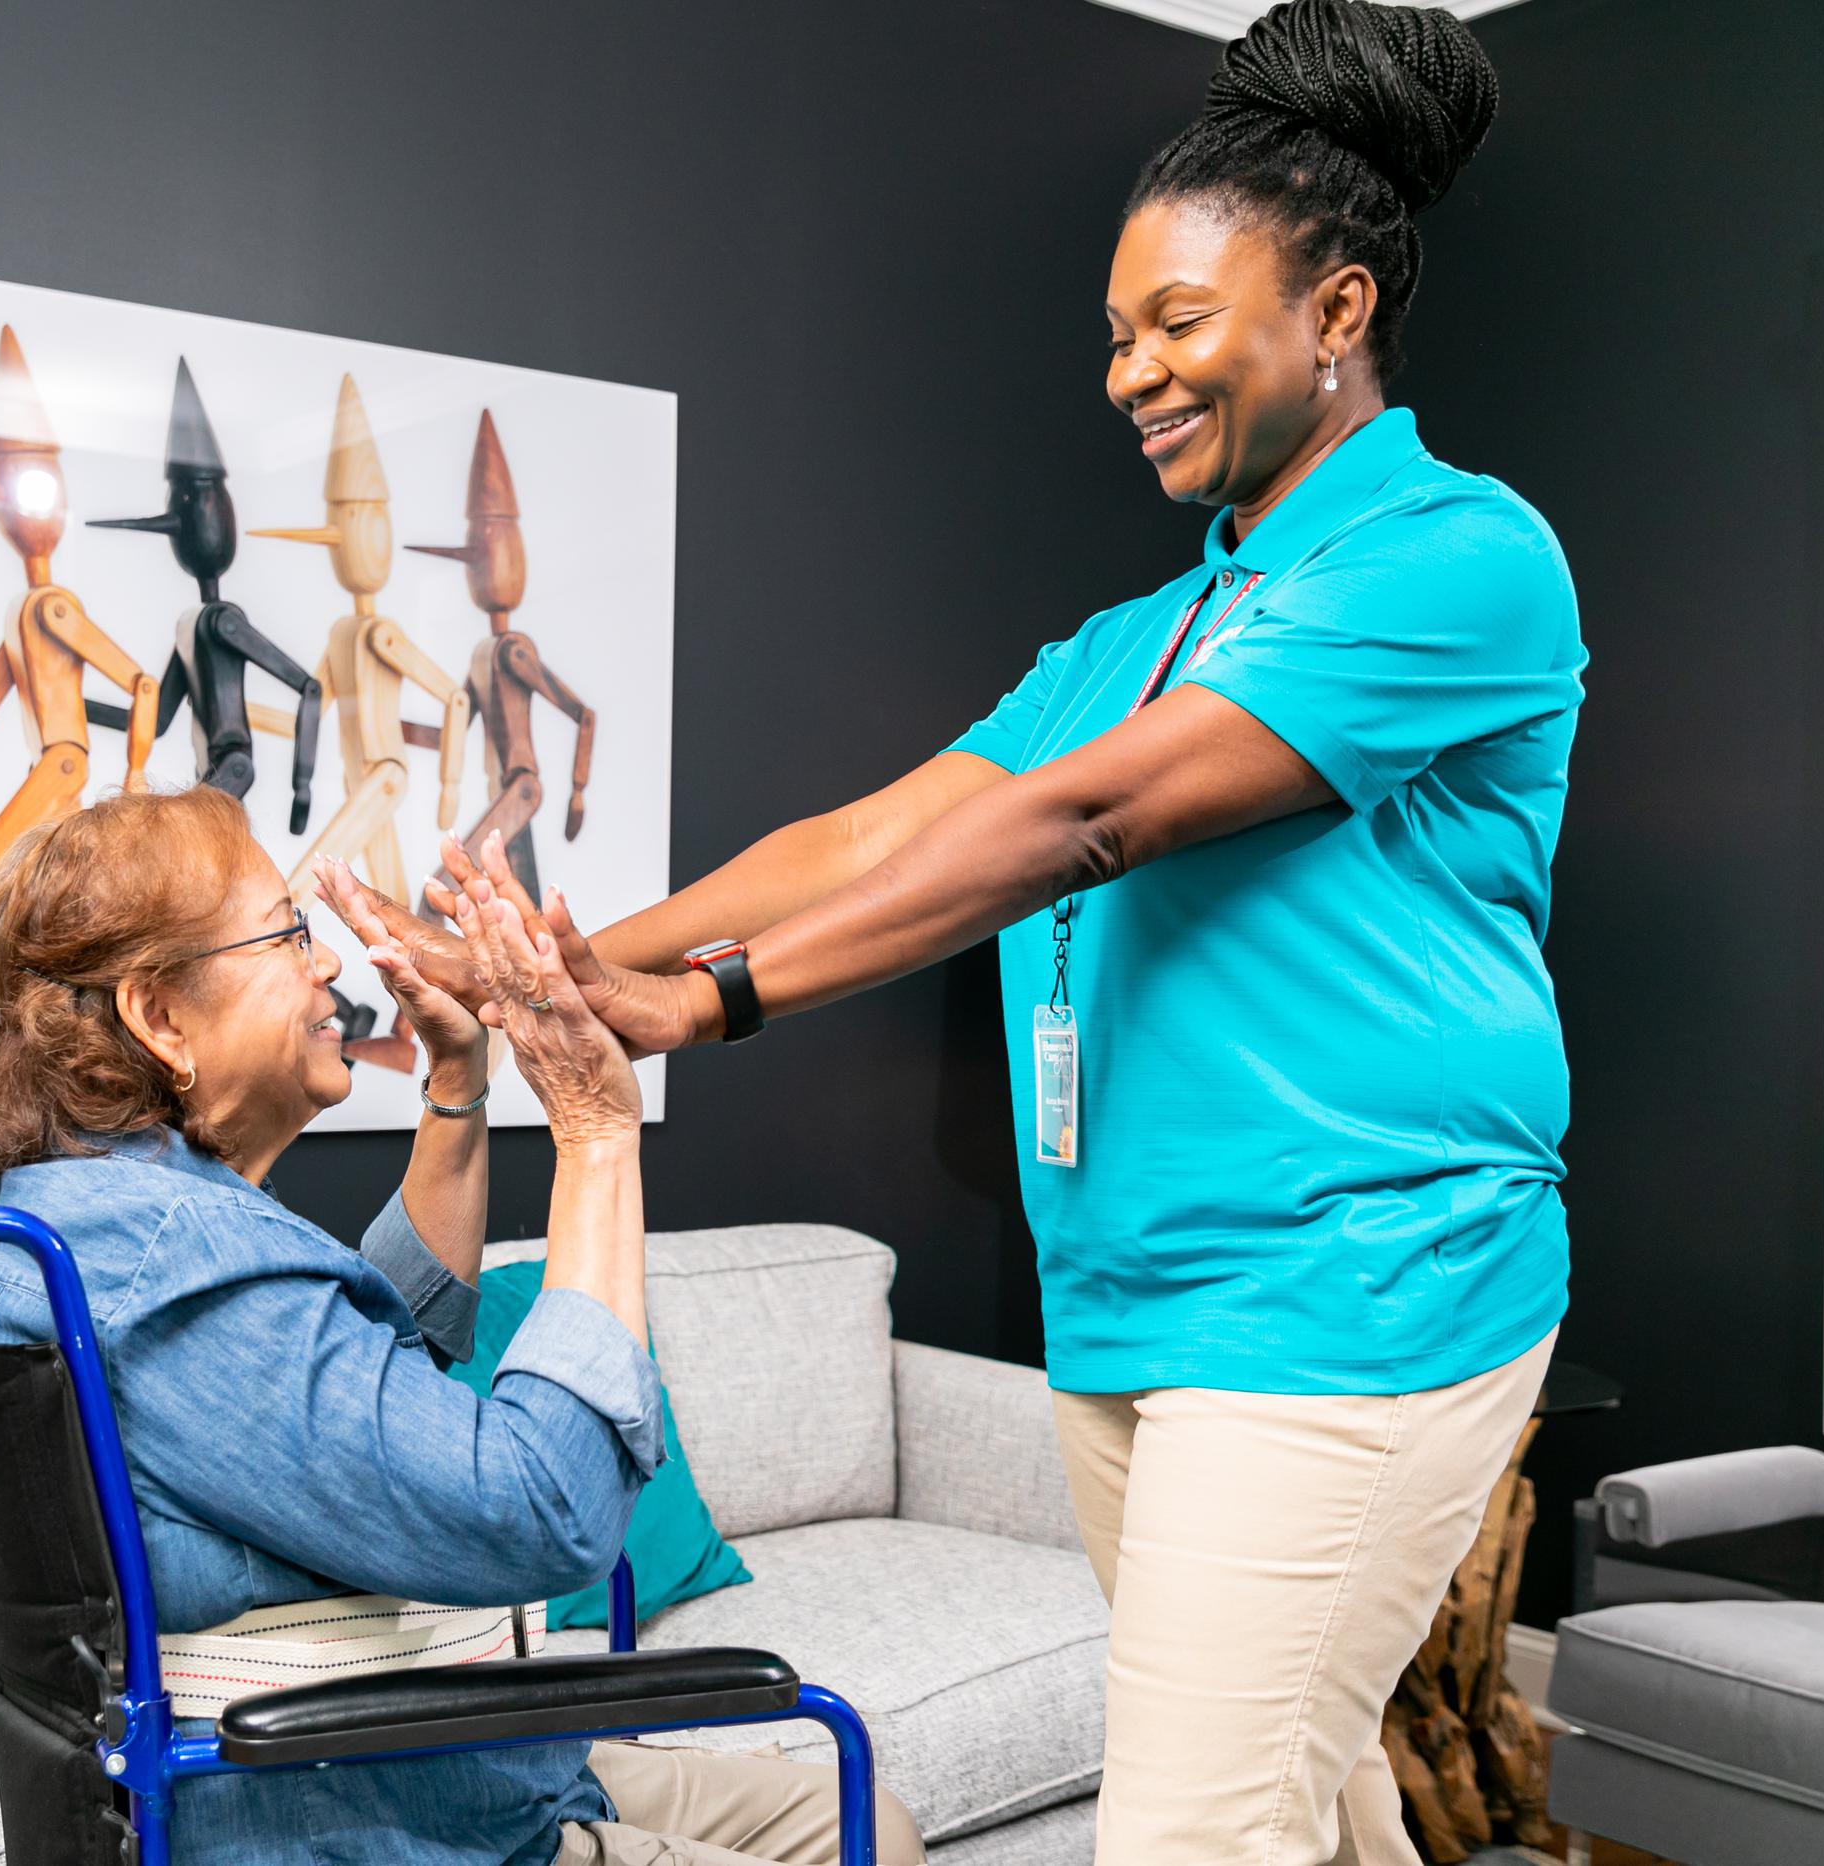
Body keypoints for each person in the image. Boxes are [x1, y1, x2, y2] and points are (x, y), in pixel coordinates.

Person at [330, 5, 1580, 1861]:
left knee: (1183, 1836)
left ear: (1337, 313)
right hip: (1136, 1307)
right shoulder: (1132, 633)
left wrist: (714, 1003)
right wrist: (576, 965)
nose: (1129, 374)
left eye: (1176, 324)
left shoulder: (1458, 559)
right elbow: (882, 825)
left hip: (1353, 1296)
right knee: (1299, 1804)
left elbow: (1081, 821)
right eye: (1116, 337)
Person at [0, 784, 924, 1866]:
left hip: (418, 1774)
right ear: (160, 1018)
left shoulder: (86, 1225)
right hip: (389, 1821)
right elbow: (542, 1508)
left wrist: (459, 1084)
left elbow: (354, 1382)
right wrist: (592, 1134)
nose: (328, 967)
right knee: (862, 1828)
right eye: (287, 934)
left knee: (864, 1825)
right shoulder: (178, 1267)